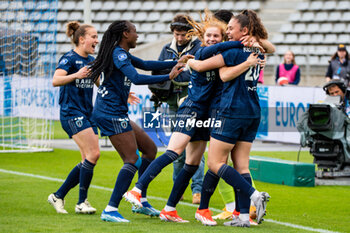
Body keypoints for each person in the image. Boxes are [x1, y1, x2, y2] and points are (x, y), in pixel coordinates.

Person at [124, 9, 260, 223]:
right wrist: (241, 44)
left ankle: (172, 209)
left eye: (216, 36)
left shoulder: (221, 56)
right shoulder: (206, 52)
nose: (212, 39)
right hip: (192, 109)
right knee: (174, 152)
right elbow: (202, 64)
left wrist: (250, 43)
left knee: (193, 163)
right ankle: (138, 189)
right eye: (208, 36)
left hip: (206, 113)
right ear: (202, 38)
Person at [88, 20, 187, 223]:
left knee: (149, 149)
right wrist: (168, 76)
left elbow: (146, 65)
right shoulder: (118, 53)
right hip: (109, 113)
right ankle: (110, 209)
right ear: (125, 34)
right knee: (132, 159)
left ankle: (140, 199)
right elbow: (136, 77)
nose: (137, 35)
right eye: (134, 32)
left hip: (116, 112)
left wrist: (177, 62)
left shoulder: (121, 53)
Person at [186, 10, 274, 227]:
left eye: (231, 29)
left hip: (231, 111)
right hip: (252, 111)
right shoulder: (257, 48)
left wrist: (191, 64)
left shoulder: (234, 50)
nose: (228, 33)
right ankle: (243, 217)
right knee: (242, 166)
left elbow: (216, 70)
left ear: (244, 30)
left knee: (215, 163)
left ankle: (254, 195)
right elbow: (269, 48)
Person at [150, 14, 203, 204]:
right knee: (176, 148)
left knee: (195, 146)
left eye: (182, 34)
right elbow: (158, 72)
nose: (179, 38)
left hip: (191, 101)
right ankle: (177, 188)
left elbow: (195, 74)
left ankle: (197, 190)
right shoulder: (166, 49)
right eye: (176, 34)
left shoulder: (199, 48)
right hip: (172, 101)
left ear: (190, 33)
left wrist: (173, 74)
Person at [48, 21, 99, 214]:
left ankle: (59, 196)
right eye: (93, 36)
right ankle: (81, 202)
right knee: (93, 154)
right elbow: (55, 80)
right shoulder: (69, 58)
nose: (96, 40)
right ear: (81, 39)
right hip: (71, 112)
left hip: (88, 113)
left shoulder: (92, 61)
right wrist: (76, 75)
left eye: (96, 36)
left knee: (88, 158)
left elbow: (99, 83)